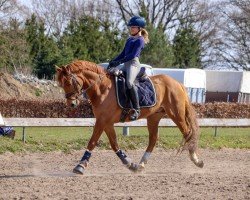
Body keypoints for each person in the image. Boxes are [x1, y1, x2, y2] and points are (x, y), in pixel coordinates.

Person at [108, 16, 149, 120]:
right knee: (112, 74)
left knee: (129, 82)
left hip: (133, 64)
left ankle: (137, 109)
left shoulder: (140, 40)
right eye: (131, 27)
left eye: (133, 27)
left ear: (139, 28)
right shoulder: (130, 39)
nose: (131, 29)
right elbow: (123, 54)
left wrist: (119, 61)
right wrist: (114, 61)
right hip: (126, 64)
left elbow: (133, 55)